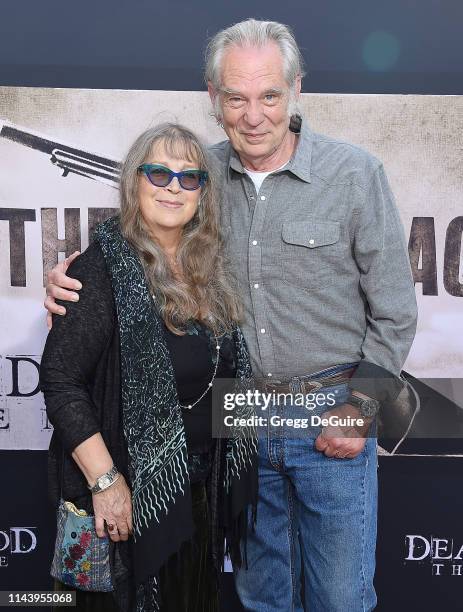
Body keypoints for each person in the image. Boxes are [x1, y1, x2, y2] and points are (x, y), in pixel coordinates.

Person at [44, 19, 418, 612]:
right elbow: (138, 241)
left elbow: (396, 309)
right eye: (237, 98)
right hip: (237, 425)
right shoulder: (199, 175)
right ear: (213, 98)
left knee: (342, 598)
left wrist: (362, 406)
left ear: (296, 89)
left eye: (269, 95)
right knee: (260, 596)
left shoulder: (354, 174)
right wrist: (71, 279)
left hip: (332, 414)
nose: (254, 115)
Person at [40, 122, 257, 612]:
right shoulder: (99, 268)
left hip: (194, 499)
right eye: (158, 173)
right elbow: (61, 382)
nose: (173, 188)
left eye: (188, 177)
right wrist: (106, 483)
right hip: (129, 503)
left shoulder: (211, 272)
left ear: (203, 193)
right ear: (134, 183)